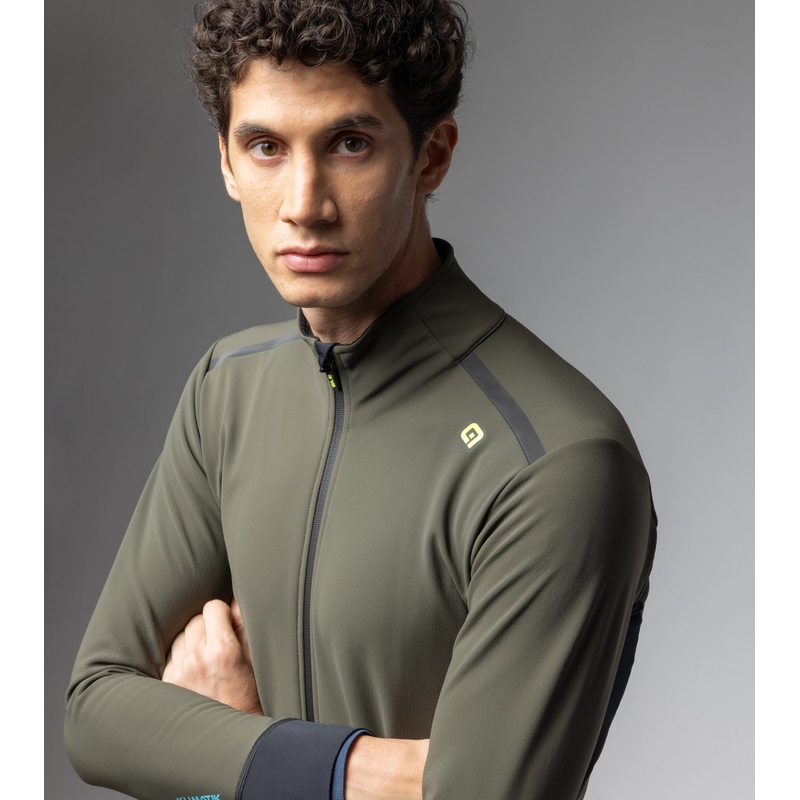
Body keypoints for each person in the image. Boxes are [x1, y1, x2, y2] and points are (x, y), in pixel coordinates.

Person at [64, 1, 657, 798]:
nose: (304, 205)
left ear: (431, 156)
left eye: (350, 143)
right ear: (228, 163)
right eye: (266, 147)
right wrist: (369, 771)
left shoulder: (556, 460)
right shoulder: (227, 388)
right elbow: (96, 711)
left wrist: (228, 740)